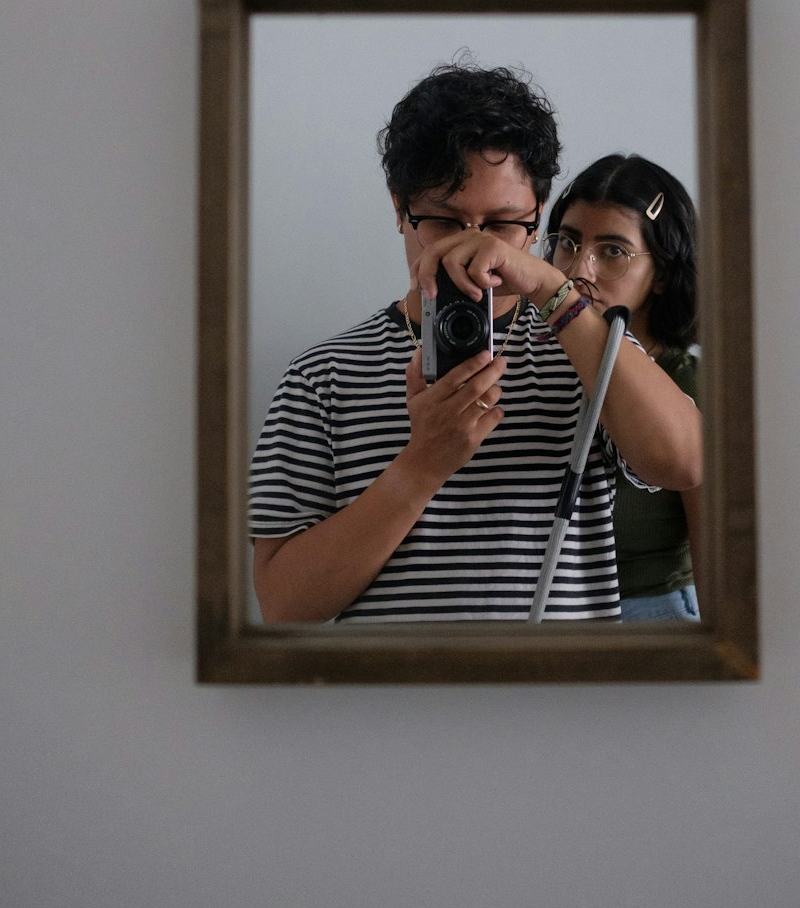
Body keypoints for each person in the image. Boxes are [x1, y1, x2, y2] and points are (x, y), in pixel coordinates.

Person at [249, 61, 701, 624]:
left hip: (563, 705)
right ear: (399, 210)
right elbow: (284, 606)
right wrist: (421, 466)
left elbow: (683, 463)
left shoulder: (584, 347)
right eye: (444, 220)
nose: (474, 246)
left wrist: (551, 288)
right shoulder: (322, 376)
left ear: (536, 223)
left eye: (504, 224)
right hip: (385, 709)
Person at [544, 154, 703, 622]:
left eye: (612, 251)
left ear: (663, 274)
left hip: (651, 614)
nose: (580, 271)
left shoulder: (685, 385)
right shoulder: (533, 367)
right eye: (568, 243)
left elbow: (716, 550)